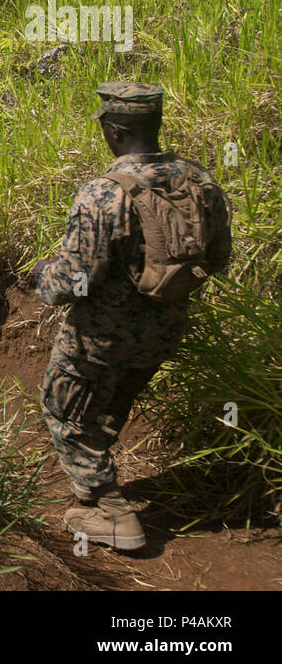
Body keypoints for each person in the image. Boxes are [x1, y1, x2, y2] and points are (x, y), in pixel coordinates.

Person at [34, 81, 232, 551]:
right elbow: (218, 257)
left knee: (61, 408)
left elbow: (72, 281)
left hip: (100, 338)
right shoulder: (200, 181)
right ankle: (87, 490)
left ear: (116, 130)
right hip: (164, 331)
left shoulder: (103, 193)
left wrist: (42, 276)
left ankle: (113, 512)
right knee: (106, 407)